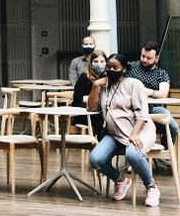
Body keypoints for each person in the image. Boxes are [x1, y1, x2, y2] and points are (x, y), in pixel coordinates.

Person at [88, 52, 161, 207]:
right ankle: (120, 180)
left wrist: (134, 135)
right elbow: (92, 107)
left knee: (133, 154)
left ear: (124, 69)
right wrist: (95, 86)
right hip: (115, 134)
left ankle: (151, 187)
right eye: (108, 67)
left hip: (139, 130)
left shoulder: (134, 84)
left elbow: (142, 115)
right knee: (96, 159)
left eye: (115, 67)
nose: (111, 70)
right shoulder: (104, 86)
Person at [127, 42, 173, 146]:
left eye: (149, 58)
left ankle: (165, 154)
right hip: (133, 109)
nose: (144, 60)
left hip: (154, 109)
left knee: (173, 127)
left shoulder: (161, 74)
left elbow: (163, 93)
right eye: (143, 56)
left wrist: (148, 91)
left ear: (157, 58)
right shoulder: (130, 67)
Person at [73, 48, 109, 137]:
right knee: (100, 120)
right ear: (91, 63)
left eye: (102, 61)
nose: (99, 64)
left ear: (106, 63)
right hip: (84, 112)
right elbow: (77, 98)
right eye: (95, 61)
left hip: (101, 111)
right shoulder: (84, 77)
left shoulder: (108, 77)